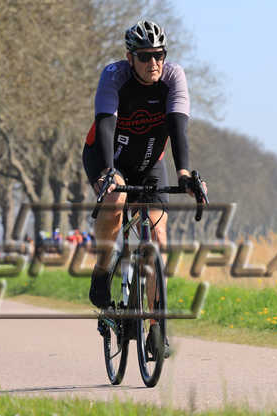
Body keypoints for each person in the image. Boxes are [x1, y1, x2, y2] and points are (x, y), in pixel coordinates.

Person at [83, 20, 206, 354]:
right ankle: (102, 270)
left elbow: (178, 127)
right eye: (144, 56)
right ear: (130, 57)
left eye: (159, 55)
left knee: (158, 238)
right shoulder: (114, 76)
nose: (153, 62)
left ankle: (155, 327)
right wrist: (108, 172)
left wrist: (184, 173)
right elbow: (105, 124)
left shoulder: (173, 77)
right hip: (108, 157)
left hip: (150, 162)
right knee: (115, 201)